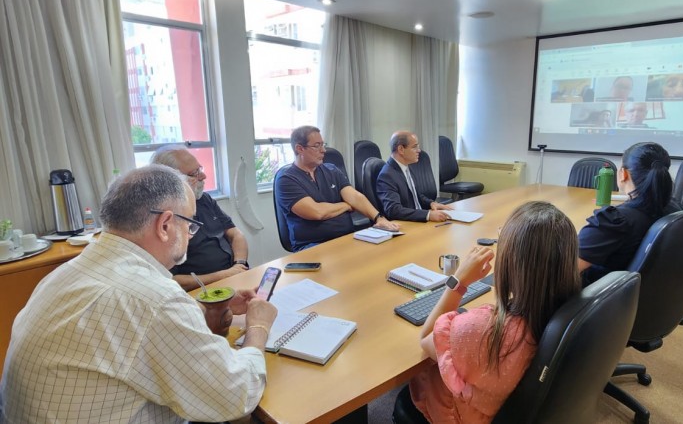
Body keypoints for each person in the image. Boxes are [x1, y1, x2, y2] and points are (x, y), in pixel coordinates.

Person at [0, 165, 278, 423]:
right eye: (190, 224)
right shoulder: (154, 299)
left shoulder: (67, 272)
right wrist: (258, 327)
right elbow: (236, 395)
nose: (191, 234)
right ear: (165, 225)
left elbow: (132, 333)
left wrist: (205, 311)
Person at [394, 201, 582, 423]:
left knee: (407, 391)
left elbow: (427, 338)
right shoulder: (566, 306)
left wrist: (459, 282)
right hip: (507, 405)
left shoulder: (486, 330)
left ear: (511, 262)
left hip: (460, 413)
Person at [275, 125, 399, 251]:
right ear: (300, 149)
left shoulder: (331, 170)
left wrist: (379, 218)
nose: (323, 150)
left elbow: (355, 197)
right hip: (312, 246)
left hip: (347, 238)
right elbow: (317, 212)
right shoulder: (286, 179)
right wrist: (346, 205)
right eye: (317, 145)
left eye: (323, 144)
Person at [577, 142, 681, 285]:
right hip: (643, 292)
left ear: (623, 174)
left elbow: (566, 270)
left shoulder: (614, 222)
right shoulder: (673, 207)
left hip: (601, 296)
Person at [151, 145, 250, 291]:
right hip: (204, 290)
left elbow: (236, 234)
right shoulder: (161, 218)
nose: (203, 177)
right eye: (194, 173)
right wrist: (224, 275)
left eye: (200, 169)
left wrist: (239, 264)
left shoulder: (204, 199)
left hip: (234, 276)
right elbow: (171, 280)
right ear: (171, 180)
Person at [376, 131, 453, 222]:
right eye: (414, 147)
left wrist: (431, 203)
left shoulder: (406, 167)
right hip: (406, 224)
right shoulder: (387, 175)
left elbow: (414, 195)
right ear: (401, 149)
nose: (419, 150)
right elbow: (393, 210)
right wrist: (428, 215)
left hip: (417, 219)